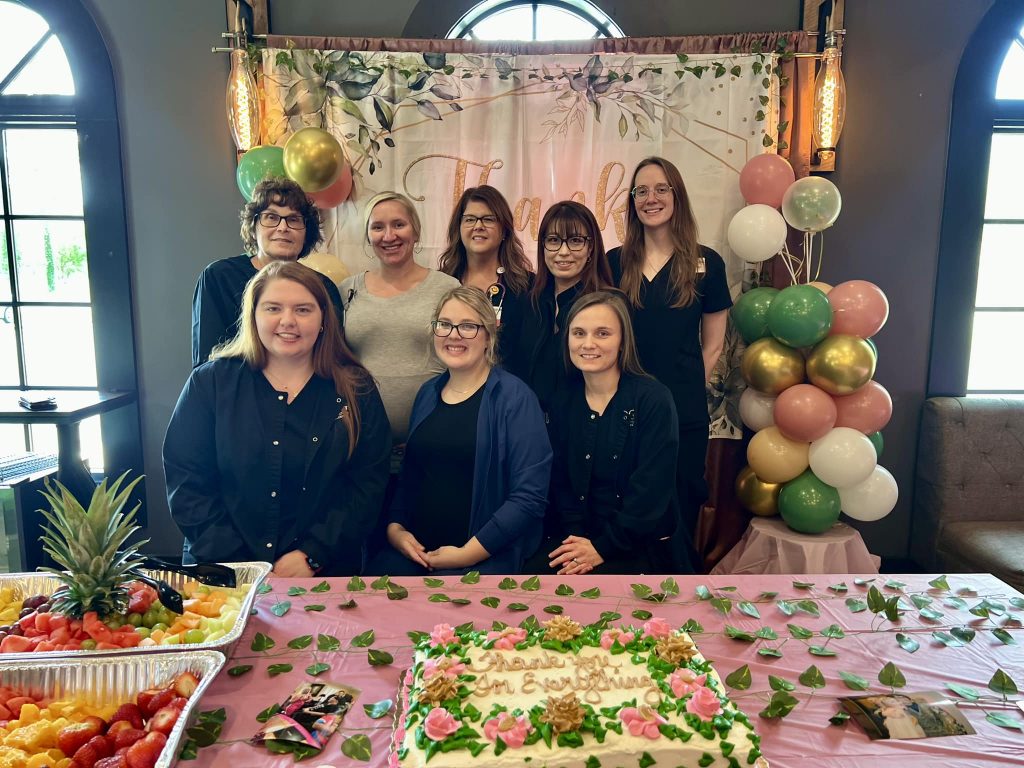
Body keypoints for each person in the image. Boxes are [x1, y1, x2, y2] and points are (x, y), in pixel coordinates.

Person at [164, 260, 391, 577]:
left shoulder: (356, 388)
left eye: (303, 310)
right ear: (253, 316)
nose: (288, 321)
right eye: (273, 308)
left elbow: (367, 484)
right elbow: (187, 483)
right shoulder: (210, 383)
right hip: (224, 572)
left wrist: (313, 555)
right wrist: (240, 565)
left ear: (323, 319)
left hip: (323, 572)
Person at [371, 286, 552, 576]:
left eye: (468, 326)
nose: (453, 335)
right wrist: (396, 530)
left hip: (482, 558)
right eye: (444, 324)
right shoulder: (427, 393)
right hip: (415, 554)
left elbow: (529, 497)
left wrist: (466, 555)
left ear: (489, 335)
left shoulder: (516, 398)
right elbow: (409, 479)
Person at [607, 157, 732, 569]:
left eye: (661, 189)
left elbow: (713, 345)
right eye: (641, 191)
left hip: (683, 410)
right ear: (632, 202)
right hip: (624, 406)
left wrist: (683, 391)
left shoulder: (707, 263)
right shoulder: (614, 262)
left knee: (680, 500)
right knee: (626, 500)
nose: (651, 198)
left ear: (677, 196)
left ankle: (678, 591)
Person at [524, 290, 682, 575]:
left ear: (623, 341)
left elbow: (650, 491)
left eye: (603, 333)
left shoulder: (653, 400)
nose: (588, 344)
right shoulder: (562, 401)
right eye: (579, 333)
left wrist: (602, 548)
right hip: (577, 541)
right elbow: (560, 483)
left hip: (637, 545)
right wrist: (577, 542)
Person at [340, 192, 460, 465]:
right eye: (377, 227)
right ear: (368, 236)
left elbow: (466, 363)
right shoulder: (346, 290)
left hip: (432, 444)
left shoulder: (447, 289)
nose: (389, 236)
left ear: (415, 231)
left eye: (398, 224)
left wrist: (439, 426)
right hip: (362, 448)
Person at [191, 177, 345, 367]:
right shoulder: (219, 277)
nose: (283, 227)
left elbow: (333, 359)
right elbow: (206, 361)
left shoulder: (324, 287)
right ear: (253, 227)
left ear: (307, 233)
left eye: (293, 219)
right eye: (271, 217)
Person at [502, 201, 612, 414]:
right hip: (527, 421)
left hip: (585, 423)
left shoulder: (606, 305)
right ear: (543, 246)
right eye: (553, 240)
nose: (563, 251)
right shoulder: (527, 301)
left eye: (575, 241)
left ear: (591, 248)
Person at [437, 185, 534, 336]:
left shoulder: (529, 287)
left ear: (504, 230)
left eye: (488, 219)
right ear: (459, 228)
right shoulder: (440, 283)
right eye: (470, 219)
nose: (478, 226)